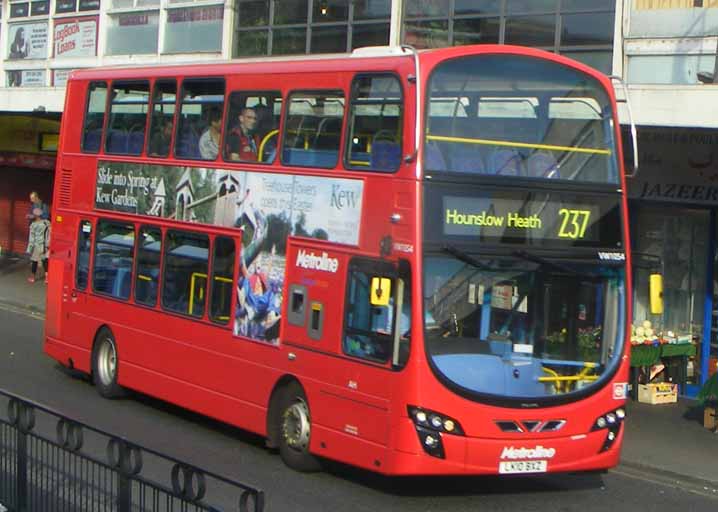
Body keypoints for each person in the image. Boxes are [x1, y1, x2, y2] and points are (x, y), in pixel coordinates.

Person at [26, 208, 50, 284]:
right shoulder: (46, 222)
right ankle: (47, 278)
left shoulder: (33, 225)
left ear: (36, 215)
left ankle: (32, 277)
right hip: (45, 246)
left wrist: (29, 249)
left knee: (34, 261)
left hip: (37, 246)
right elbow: (51, 232)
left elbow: (31, 238)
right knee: (45, 261)